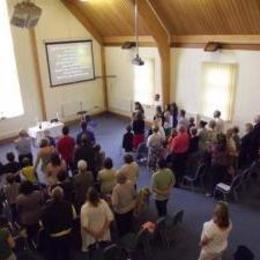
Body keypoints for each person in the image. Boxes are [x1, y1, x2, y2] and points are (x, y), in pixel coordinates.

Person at [41, 187, 76, 260]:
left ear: (51, 196)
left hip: (54, 236)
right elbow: (74, 217)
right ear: (62, 195)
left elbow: (42, 224)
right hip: (67, 233)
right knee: (67, 254)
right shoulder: (69, 205)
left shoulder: (45, 209)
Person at [81, 188, 114, 252]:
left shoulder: (85, 208)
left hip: (91, 237)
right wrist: (102, 231)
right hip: (104, 235)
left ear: (88, 196)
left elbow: (85, 226)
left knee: (94, 255)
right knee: (105, 253)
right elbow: (110, 218)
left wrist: (95, 234)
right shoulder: (103, 203)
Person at [16, 181, 43, 247]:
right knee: (40, 231)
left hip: (27, 220)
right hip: (39, 216)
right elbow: (42, 202)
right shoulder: (38, 193)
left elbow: (18, 210)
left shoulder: (19, 198)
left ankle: (32, 246)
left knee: (29, 234)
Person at [111, 172, 136, 237]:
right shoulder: (130, 183)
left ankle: (123, 236)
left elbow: (115, 203)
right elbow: (134, 195)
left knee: (121, 224)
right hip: (131, 207)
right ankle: (130, 231)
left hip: (121, 211)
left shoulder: (116, 188)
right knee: (129, 220)